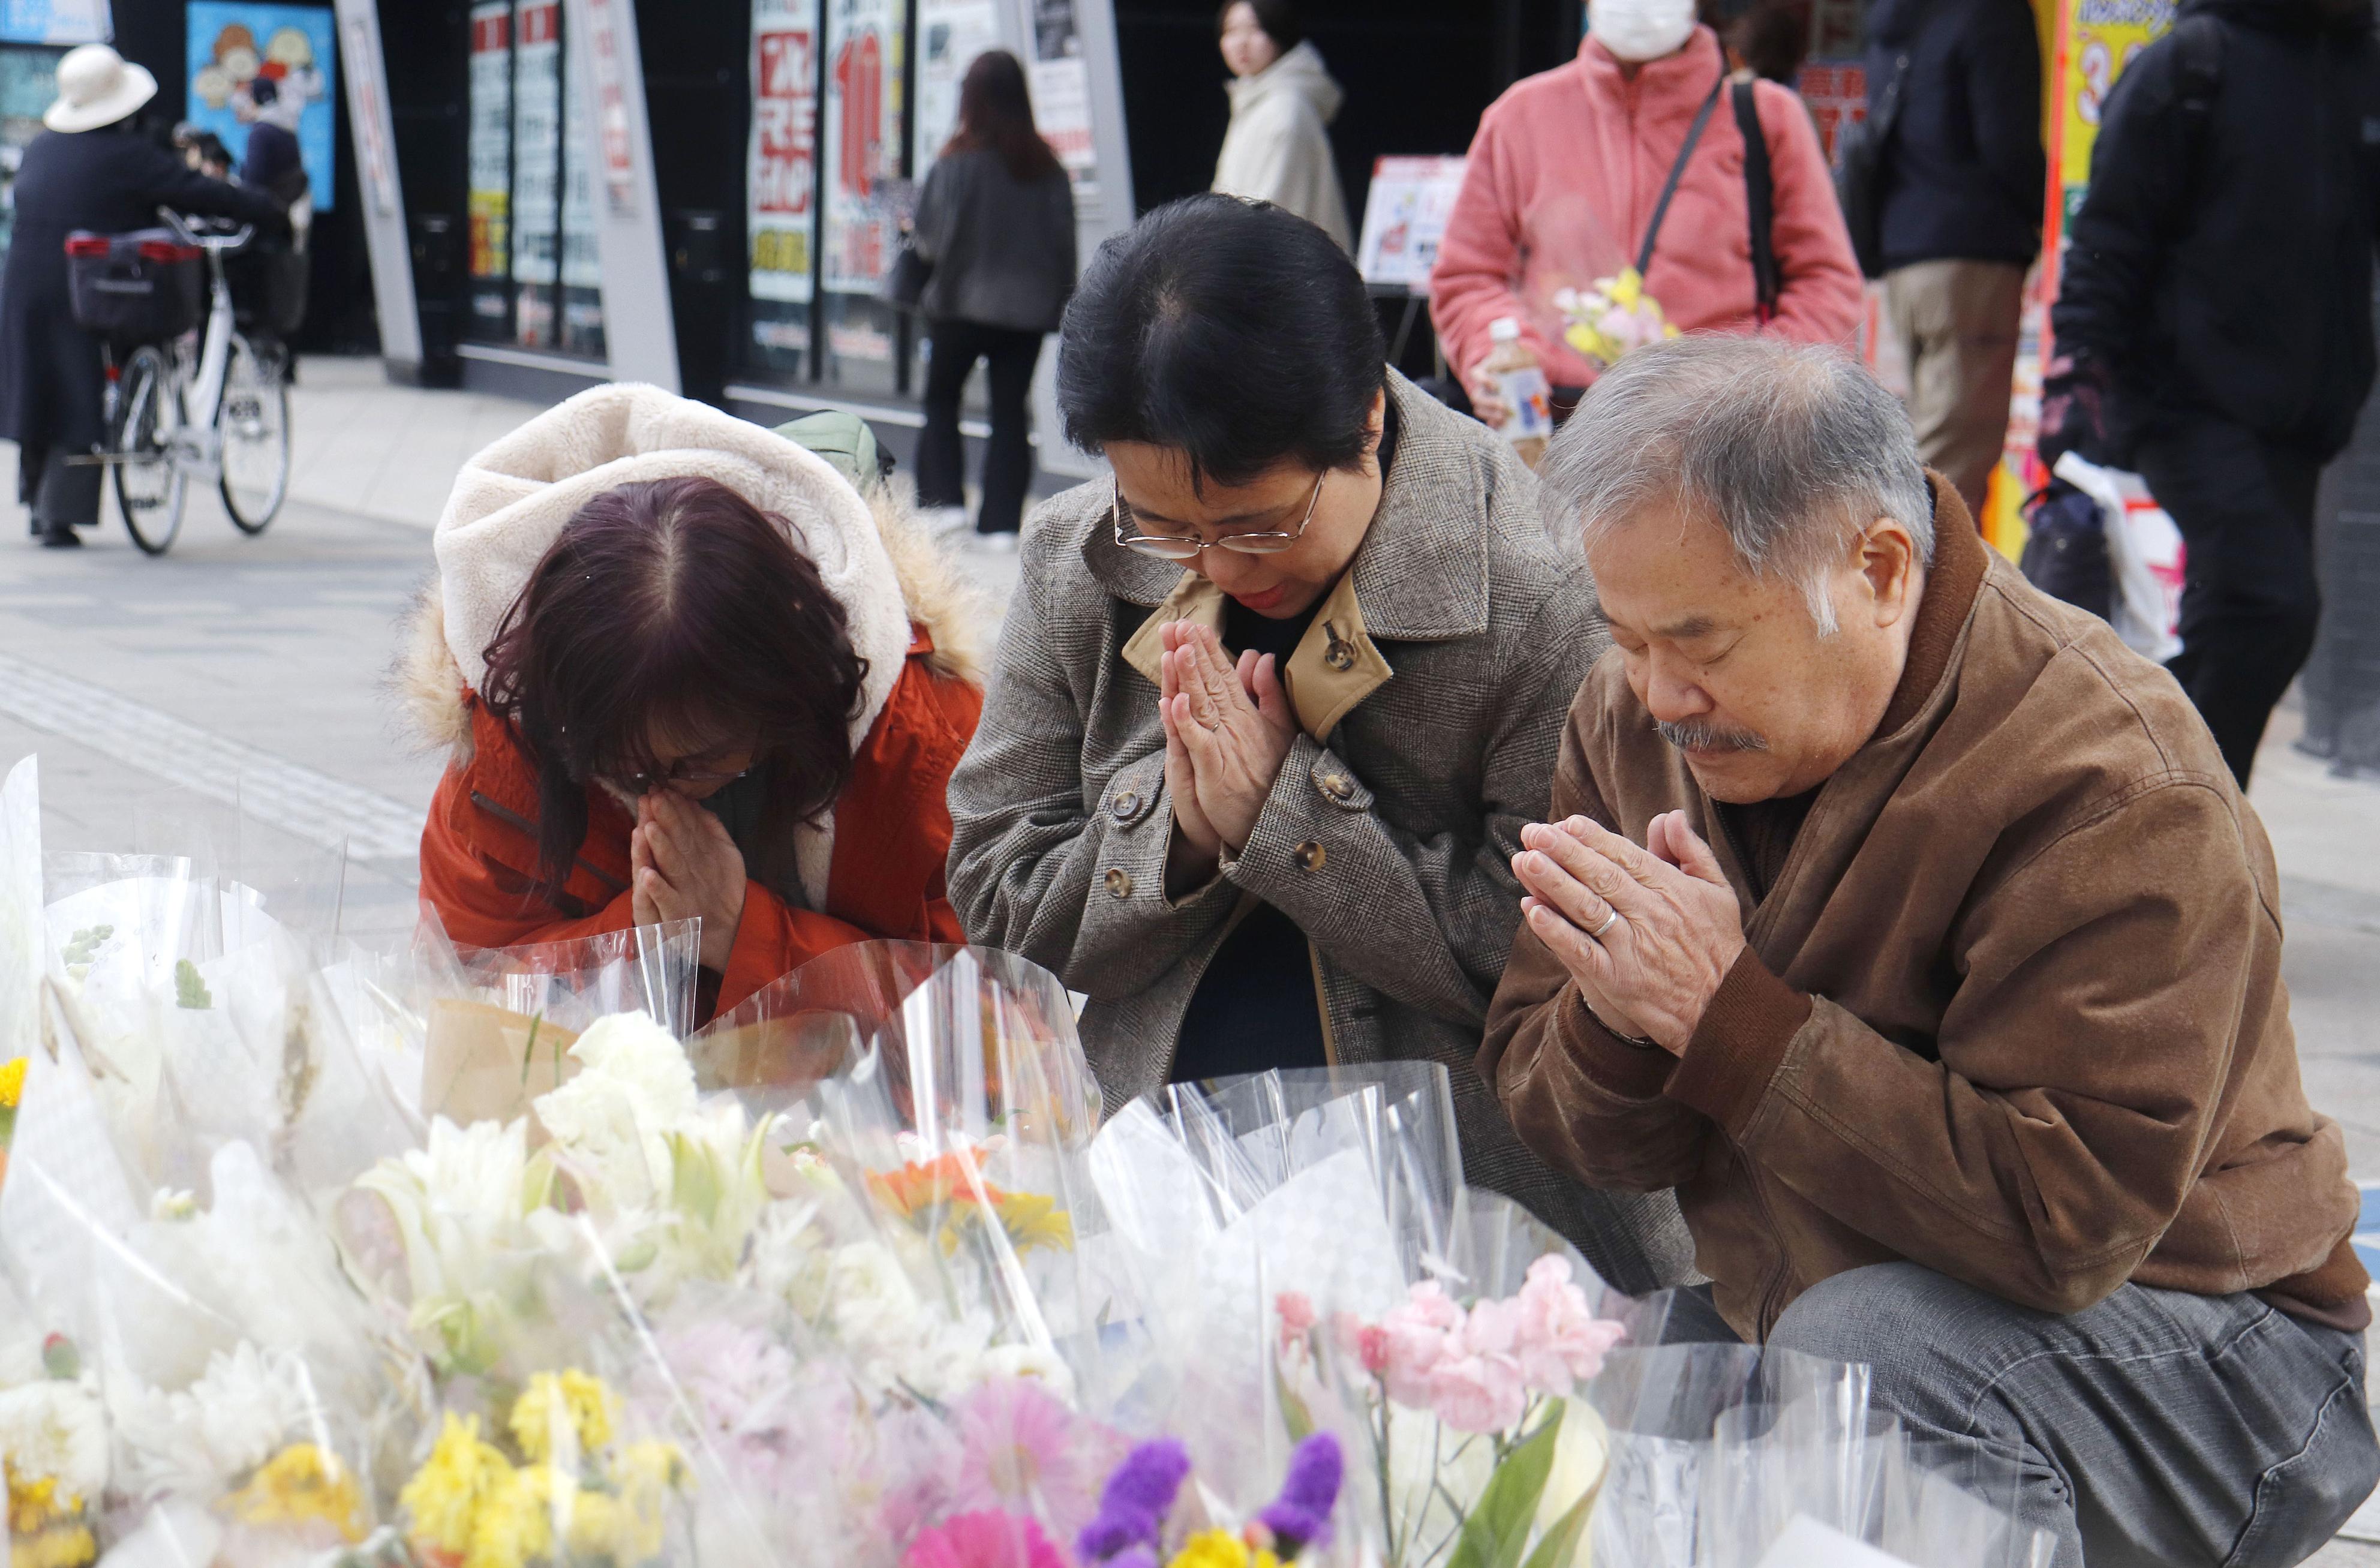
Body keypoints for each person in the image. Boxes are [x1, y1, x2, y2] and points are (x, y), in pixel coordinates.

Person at [1485, 336, 2377, 1564]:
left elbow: (2065, 1226)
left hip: (2209, 1349)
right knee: (1555, 1407)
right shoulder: (1638, 715)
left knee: (1866, 1373)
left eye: (1697, 639)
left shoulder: (2112, 778)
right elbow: (1579, 1124)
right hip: (1815, 1295)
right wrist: (1619, 1013)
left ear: (1880, 570)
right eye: (1626, 637)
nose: (1655, 693)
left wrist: (1724, 1017)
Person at [945, 194, 1692, 1296]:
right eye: (1167, 524)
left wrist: (1287, 821)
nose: (1218, 565)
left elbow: (1547, 959)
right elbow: (996, 893)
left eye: (1259, 523)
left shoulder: (1539, 586)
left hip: (1471, 1219)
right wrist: (1180, 833)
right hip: (1152, 1166)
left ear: (1368, 427)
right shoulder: (1082, 557)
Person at [403, 385, 987, 1022]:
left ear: (779, 699)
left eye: (694, 761)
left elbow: (991, 1022)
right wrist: (640, 929)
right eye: (624, 769)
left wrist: (745, 932)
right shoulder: (504, 746)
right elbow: (460, 993)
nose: (662, 794)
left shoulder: (927, 737)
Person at [2041, 0, 2380, 790]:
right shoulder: (2191, 65)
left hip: (2306, 415)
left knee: (2239, 621)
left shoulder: (2360, 66)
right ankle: (2168, 804)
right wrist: (2080, 379)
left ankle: (2166, 821)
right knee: (2271, 605)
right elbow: (2109, 238)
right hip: (2181, 400)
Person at [1430, 0, 1861, 428]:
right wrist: (1509, 357)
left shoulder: (1768, 118)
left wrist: (1753, 383)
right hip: (1561, 429)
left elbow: (1826, 284)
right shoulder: (1518, 118)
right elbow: (1467, 277)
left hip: (1724, 439)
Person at [0, 44, 286, 548]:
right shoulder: (128, 155)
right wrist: (267, 209)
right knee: (75, 390)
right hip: (87, 282)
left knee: (38, 384)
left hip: (24, 282)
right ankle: (59, 515)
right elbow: (201, 191)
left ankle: (37, 507)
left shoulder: (42, 148)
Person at [1865, 0, 2042, 519]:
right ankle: (1919, 593)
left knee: (1925, 444)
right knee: (1953, 463)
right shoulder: (1992, 14)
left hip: (1905, 256)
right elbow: (2006, 142)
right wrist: (2050, 209)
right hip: (1971, 258)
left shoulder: (1895, 18)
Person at [912, 50, 1076, 548]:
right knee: (1009, 411)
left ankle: (945, 509)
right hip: (1025, 314)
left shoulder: (956, 162)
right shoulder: (1048, 166)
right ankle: (1001, 523)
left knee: (942, 401)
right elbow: (1064, 245)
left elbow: (929, 242)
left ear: (971, 99)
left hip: (960, 305)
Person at [1211, 1, 1353, 253]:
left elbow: (1267, 213)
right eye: (1231, 31)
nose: (1241, 42)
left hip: (1281, 274)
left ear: (1280, 33)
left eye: (1255, 29)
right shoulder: (1253, 100)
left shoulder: (1284, 109)